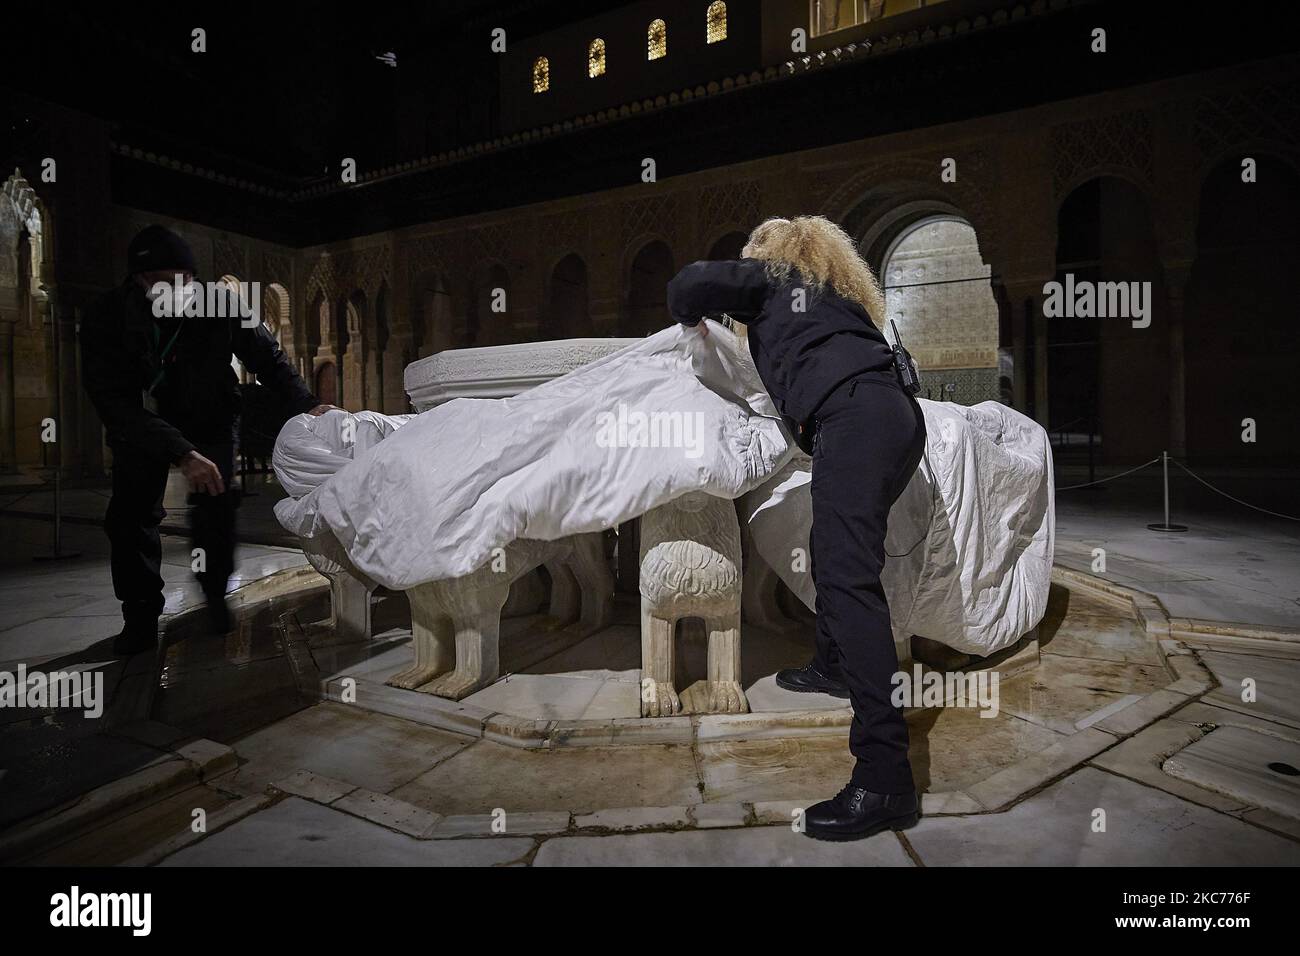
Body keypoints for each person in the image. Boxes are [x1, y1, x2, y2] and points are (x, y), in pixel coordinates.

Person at [667, 215, 927, 841]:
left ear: (772, 253)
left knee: (846, 578)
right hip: (897, 420)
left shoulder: (773, 276)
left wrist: (705, 312)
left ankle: (885, 778)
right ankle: (833, 665)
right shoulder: (839, 300)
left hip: (856, 420)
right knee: (830, 548)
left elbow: (687, 286)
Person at [81, 225, 332, 656]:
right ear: (140, 281)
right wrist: (180, 451)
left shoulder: (218, 304)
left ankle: (215, 594)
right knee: (131, 514)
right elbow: (116, 405)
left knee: (215, 504)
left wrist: (307, 404)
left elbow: (268, 358)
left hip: (209, 412)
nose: (180, 291)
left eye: (187, 281)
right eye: (167, 282)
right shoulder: (108, 316)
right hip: (142, 419)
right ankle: (140, 617)